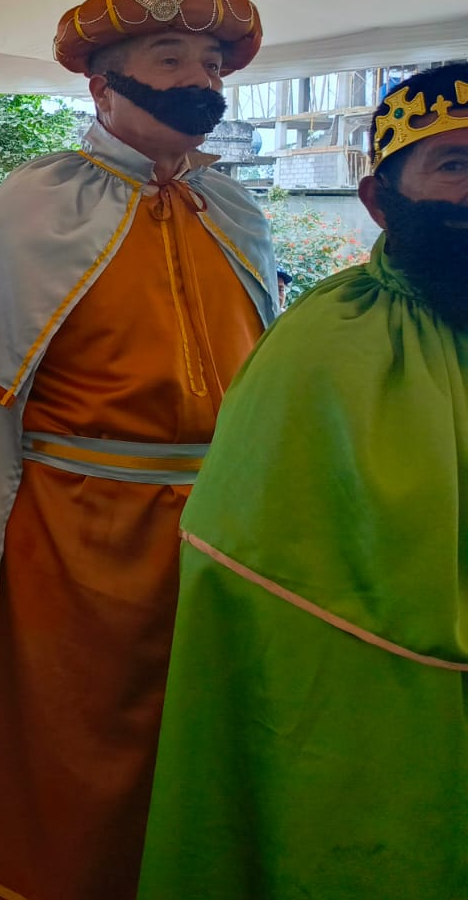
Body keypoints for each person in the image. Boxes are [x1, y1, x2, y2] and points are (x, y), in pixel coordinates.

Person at [0, 0, 278, 900]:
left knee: (197, 761)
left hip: (217, 548)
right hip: (70, 549)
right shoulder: (35, 209)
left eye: (213, 64)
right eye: (170, 58)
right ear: (102, 86)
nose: (200, 80)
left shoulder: (236, 212)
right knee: (69, 767)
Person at [138, 63, 468, 900]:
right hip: (376, 726)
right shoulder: (322, 345)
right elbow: (253, 583)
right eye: (455, 165)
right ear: (379, 200)